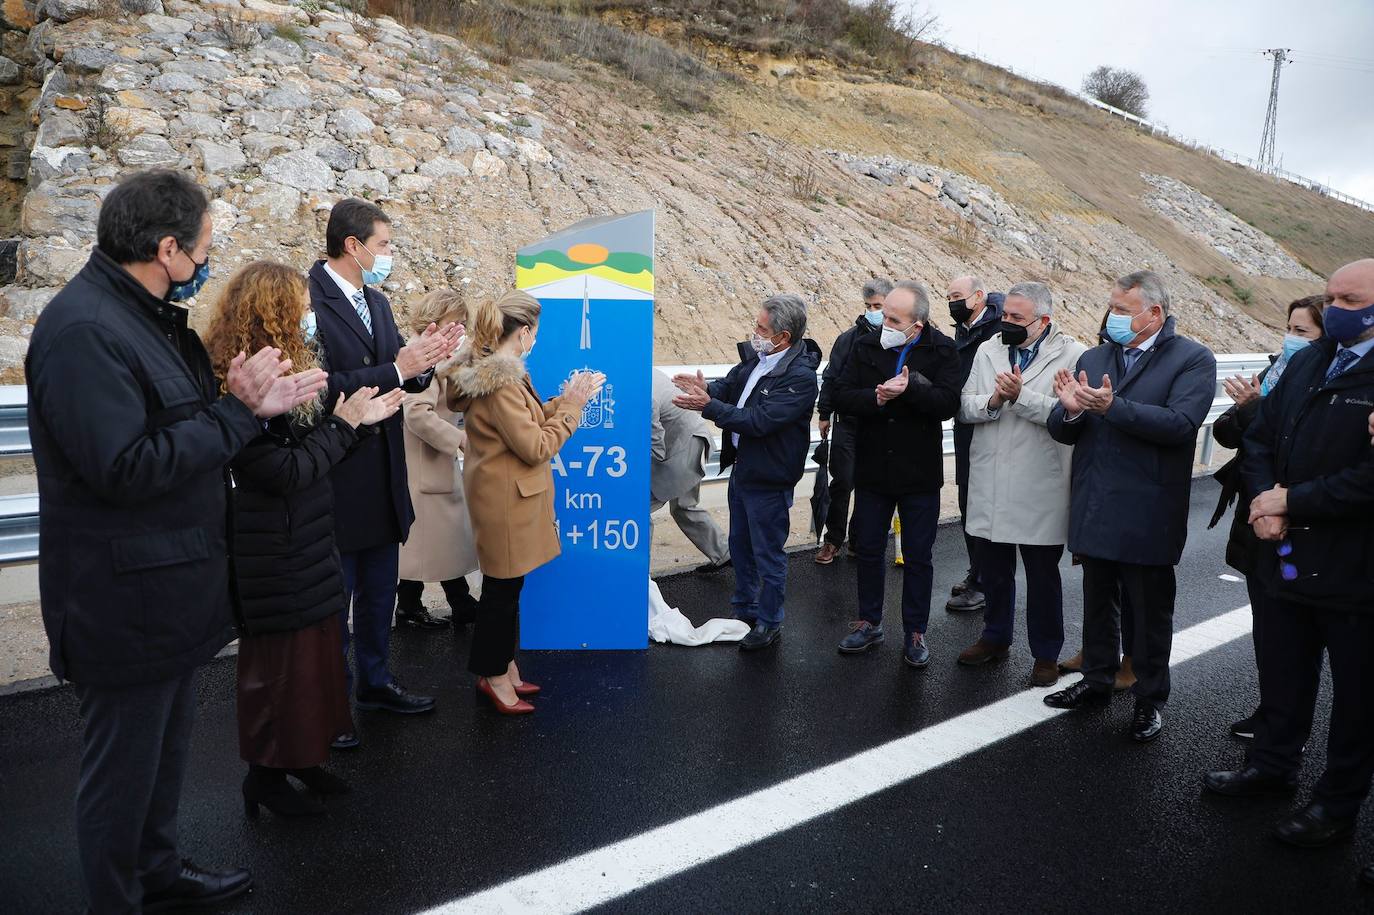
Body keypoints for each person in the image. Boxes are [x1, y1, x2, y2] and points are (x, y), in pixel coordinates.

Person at [26, 170, 327, 912]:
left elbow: (185, 429)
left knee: (162, 757)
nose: (205, 266)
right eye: (202, 251)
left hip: (169, 587)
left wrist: (254, 408)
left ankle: (156, 870)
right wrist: (240, 413)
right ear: (167, 249)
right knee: (120, 770)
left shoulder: (149, 320)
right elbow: (124, 467)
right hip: (120, 597)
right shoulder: (85, 332)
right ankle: (117, 896)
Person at [207, 261, 404, 817]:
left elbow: (318, 450)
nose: (311, 314)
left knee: (316, 657)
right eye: (300, 305)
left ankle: (303, 757)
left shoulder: (293, 369)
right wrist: (345, 426)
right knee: (279, 669)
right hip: (273, 545)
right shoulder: (237, 379)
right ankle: (264, 777)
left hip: (311, 537)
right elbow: (282, 470)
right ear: (271, 311)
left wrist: (354, 420)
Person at [1204, 259, 1374, 867]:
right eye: (1330, 298)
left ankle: (1336, 803)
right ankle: (1271, 766)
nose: (1335, 309)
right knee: (1282, 668)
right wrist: (1263, 502)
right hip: (1282, 548)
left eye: (1349, 299)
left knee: (1356, 696)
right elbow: (1259, 438)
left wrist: (1296, 498)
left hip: (1354, 566)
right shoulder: (1306, 361)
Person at [307, 198, 462, 724]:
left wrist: (425, 361)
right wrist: (397, 369)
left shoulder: (376, 301)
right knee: (336, 605)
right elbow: (319, 387)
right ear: (353, 246)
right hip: (341, 476)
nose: (389, 254)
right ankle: (332, 706)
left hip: (384, 479)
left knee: (378, 597)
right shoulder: (309, 302)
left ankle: (375, 682)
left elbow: (401, 370)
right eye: (385, 245)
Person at [1043, 270, 1216, 743]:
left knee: (1148, 612)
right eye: (1113, 307)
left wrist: (1109, 406)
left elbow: (1181, 423)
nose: (1113, 316)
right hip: (1097, 503)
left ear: (1154, 313)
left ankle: (1148, 698)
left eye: (1122, 309)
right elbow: (1064, 427)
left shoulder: (1192, 359)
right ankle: (1097, 680)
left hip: (1148, 510)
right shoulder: (1097, 354)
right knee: (1098, 602)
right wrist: (1072, 408)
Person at [445, 290, 604, 712]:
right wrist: (571, 408)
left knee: (507, 588)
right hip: (505, 500)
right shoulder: (501, 382)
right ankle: (494, 676)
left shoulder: (498, 374)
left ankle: (502, 666)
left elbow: (526, 422)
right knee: (501, 592)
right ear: (525, 331)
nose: (536, 339)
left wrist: (567, 400)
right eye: (536, 331)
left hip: (504, 495)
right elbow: (535, 447)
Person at [673, 294, 821, 651]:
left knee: (767, 552)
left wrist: (709, 406)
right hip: (743, 468)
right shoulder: (761, 358)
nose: (754, 332)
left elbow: (760, 420)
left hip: (770, 475)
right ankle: (745, 609)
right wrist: (707, 389)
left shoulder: (799, 377)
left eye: (760, 327)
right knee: (740, 545)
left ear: (783, 336)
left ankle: (769, 622)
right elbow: (732, 386)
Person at [956, 282, 1086, 687]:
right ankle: (995, 636)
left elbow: (1070, 412)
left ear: (1043, 320)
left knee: (1042, 575)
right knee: (994, 570)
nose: (1006, 322)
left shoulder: (1073, 353)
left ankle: (1046, 653)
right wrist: (993, 402)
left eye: (1016, 318)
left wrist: (1020, 396)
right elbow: (965, 404)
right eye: (1005, 314)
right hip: (991, 476)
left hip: (1039, 482)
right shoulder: (988, 349)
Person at [1206, 295, 1324, 739]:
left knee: (1297, 636)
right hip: (1255, 514)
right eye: (1289, 329)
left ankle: (1286, 726)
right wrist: (1246, 409)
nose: (1290, 339)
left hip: (1296, 519)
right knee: (1269, 628)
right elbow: (1231, 436)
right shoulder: (1277, 370)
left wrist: (1256, 410)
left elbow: (1298, 445)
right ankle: (1272, 711)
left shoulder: (1325, 383)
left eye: (1303, 332)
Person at [830, 280, 962, 666]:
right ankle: (869, 621)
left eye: (893, 318)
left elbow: (948, 403)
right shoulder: (864, 345)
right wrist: (876, 396)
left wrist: (913, 388)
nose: (883, 322)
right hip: (873, 468)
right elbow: (839, 393)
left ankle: (915, 631)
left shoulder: (942, 348)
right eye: (883, 314)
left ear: (916, 325)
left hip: (919, 471)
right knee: (869, 549)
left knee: (918, 556)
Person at [396, 289, 482, 628]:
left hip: (428, 463)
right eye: (455, 323)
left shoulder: (430, 354)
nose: (460, 330)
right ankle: (446, 604)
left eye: (463, 324)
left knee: (430, 544)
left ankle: (429, 604)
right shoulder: (427, 358)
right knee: (431, 543)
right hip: (425, 463)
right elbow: (416, 412)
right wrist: (458, 438)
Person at [815, 278, 891, 564]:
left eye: (878, 306)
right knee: (843, 481)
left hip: (880, 424)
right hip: (847, 420)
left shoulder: (899, 339)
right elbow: (831, 376)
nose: (873, 311)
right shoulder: (848, 338)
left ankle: (859, 539)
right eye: (869, 306)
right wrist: (824, 413)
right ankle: (833, 540)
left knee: (871, 483)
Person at [650, 368, 730, 572]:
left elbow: (654, 447)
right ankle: (725, 553)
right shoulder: (642, 370)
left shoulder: (641, 389)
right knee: (684, 506)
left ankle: (638, 574)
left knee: (637, 509)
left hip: (684, 447)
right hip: (689, 439)